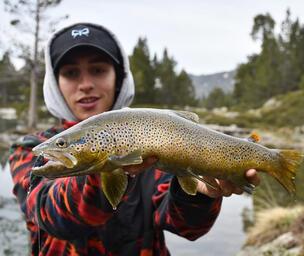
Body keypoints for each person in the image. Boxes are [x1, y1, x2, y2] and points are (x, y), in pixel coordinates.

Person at [9, 22, 260, 255]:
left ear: (118, 77)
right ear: (55, 84)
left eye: (98, 70)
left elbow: (188, 228)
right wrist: (103, 164)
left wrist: (203, 192)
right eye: (71, 73)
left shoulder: (152, 140)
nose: (85, 84)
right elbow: (52, 216)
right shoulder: (29, 150)